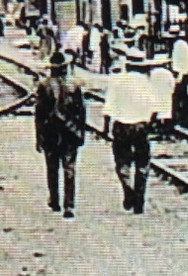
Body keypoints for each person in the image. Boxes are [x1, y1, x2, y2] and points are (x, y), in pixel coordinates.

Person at [100, 58, 172, 214]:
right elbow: (156, 108)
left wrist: (105, 129)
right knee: (142, 164)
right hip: (140, 126)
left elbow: (108, 108)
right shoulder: (148, 83)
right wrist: (150, 124)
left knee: (122, 162)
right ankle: (139, 201)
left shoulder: (117, 80)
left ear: (127, 65)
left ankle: (128, 188)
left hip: (121, 126)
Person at [34, 50, 86, 219]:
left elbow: (39, 114)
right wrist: (81, 133)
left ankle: (55, 200)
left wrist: (38, 137)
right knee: (69, 168)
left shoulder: (44, 85)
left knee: (52, 168)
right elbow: (82, 111)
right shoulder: (75, 85)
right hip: (70, 132)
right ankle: (69, 205)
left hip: (50, 132)